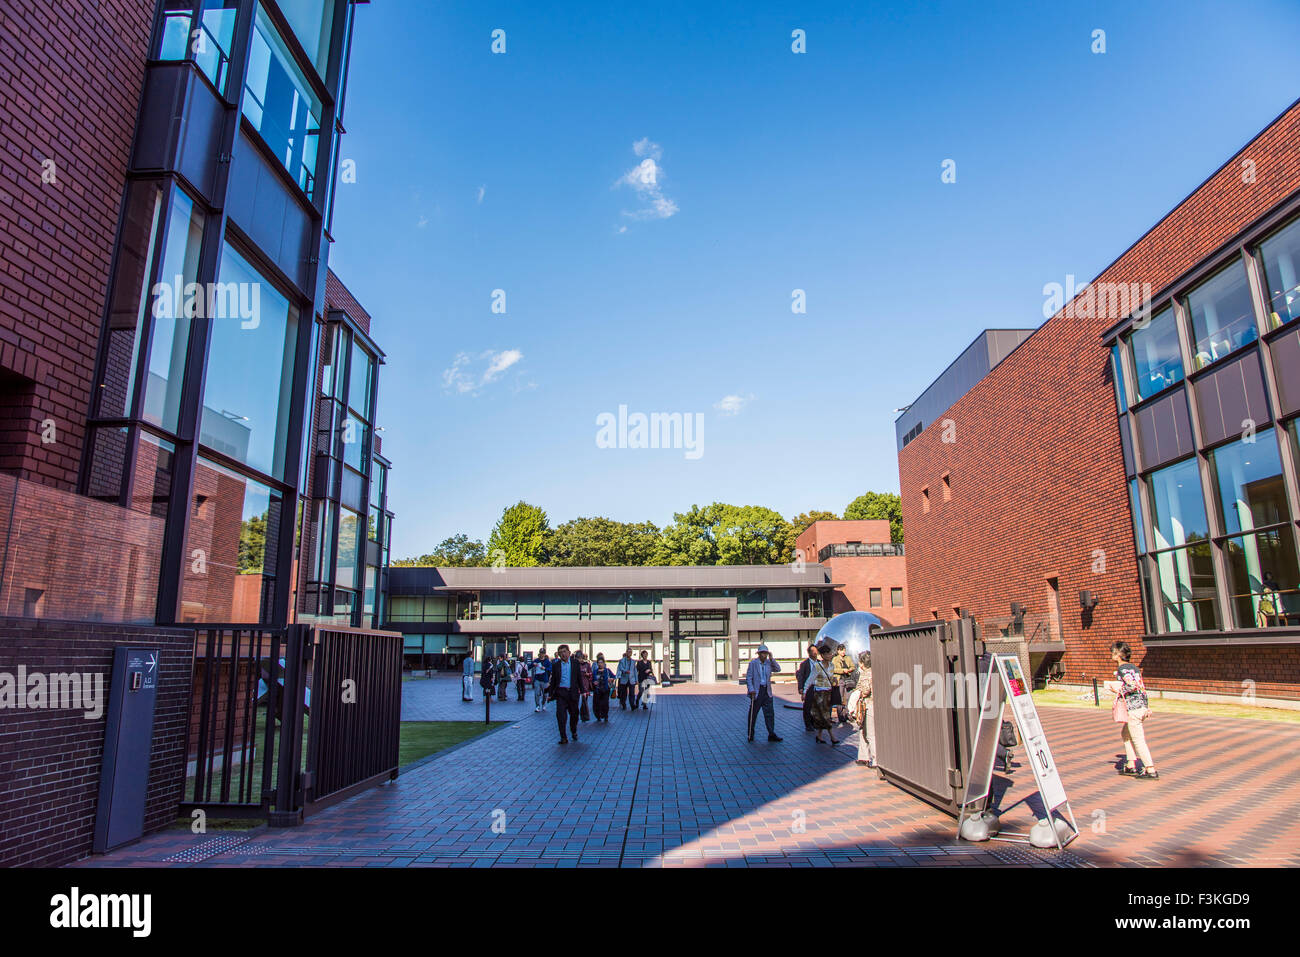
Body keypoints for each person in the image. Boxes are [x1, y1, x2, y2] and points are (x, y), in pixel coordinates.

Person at [1104, 641, 1158, 780]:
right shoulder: (1134, 668)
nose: (1111, 655)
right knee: (1125, 734)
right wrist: (1146, 705)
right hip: (1140, 706)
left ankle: (1150, 769)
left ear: (1118, 655)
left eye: (1113, 652)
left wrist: (1116, 688)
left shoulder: (1122, 670)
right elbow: (1141, 687)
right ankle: (1130, 764)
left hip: (1133, 709)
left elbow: (1132, 686)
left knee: (1138, 739)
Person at [802, 643, 839, 745]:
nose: (829, 655)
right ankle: (832, 737)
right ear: (822, 655)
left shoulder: (832, 666)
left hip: (829, 692)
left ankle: (819, 736)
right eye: (827, 654)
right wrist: (804, 691)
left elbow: (831, 678)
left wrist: (834, 680)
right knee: (825, 715)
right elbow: (810, 679)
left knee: (823, 715)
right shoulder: (817, 666)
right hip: (819, 693)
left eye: (830, 653)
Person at [745, 643, 783, 742]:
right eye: (762, 653)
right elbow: (749, 677)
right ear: (758, 654)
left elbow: (778, 669)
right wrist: (751, 689)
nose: (764, 655)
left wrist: (772, 659)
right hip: (757, 691)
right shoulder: (753, 663)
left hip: (767, 691)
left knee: (769, 713)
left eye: (766, 653)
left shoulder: (769, 663)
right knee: (753, 714)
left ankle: (771, 733)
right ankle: (750, 734)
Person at [548, 645, 581, 744]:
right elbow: (553, 681)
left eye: (564, 651)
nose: (563, 654)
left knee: (574, 715)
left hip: (573, 693)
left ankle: (573, 730)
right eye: (560, 652)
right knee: (561, 716)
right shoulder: (556, 665)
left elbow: (579, 678)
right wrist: (550, 694)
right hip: (561, 693)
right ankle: (563, 737)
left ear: (569, 653)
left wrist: (583, 691)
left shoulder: (575, 663)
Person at [849, 650, 875, 766]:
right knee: (863, 731)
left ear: (862, 663)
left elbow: (865, 691)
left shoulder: (866, 674)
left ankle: (875, 760)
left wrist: (856, 694)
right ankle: (863, 756)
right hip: (870, 705)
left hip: (868, 705)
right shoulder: (874, 672)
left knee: (869, 733)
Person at [795, 644, 818, 732]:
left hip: (818, 687)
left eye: (816, 651)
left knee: (816, 706)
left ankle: (814, 723)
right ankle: (808, 724)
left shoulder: (819, 663)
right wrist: (801, 688)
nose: (815, 653)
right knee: (808, 706)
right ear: (809, 653)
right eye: (813, 651)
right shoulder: (804, 664)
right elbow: (800, 676)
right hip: (808, 687)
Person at [831, 644, 854, 724]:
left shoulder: (848, 658)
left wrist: (849, 670)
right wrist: (842, 670)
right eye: (841, 650)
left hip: (847, 679)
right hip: (839, 679)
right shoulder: (835, 659)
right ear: (838, 651)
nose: (843, 652)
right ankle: (841, 716)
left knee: (848, 697)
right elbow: (833, 669)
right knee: (839, 698)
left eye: (844, 650)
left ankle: (847, 714)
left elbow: (853, 666)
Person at [590, 654, 616, 722]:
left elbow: (613, 676)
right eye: (598, 663)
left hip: (605, 689)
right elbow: (592, 679)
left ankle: (605, 716)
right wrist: (594, 682)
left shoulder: (607, 671)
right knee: (597, 704)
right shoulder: (595, 671)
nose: (600, 664)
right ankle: (598, 716)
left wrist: (611, 679)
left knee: (605, 703)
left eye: (601, 662)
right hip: (597, 690)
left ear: (604, 663)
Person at [575, 651, 594, 722]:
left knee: (584, 702)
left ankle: (584, 716)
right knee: (575, 701)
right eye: (577, 658)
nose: (578, 660)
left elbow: (591, 674)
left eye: (579, 658)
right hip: (576, 686)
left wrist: (588, 674)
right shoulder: (575, 665)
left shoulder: (587, 665)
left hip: (585, 685)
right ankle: (576, 715)